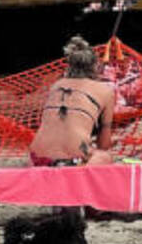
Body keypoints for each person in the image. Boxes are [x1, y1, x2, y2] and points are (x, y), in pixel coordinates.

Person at [26, 37, 118, 166]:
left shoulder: (56, 86)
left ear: (69, 65)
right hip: (72, 162)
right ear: (95, 66)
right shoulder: (105, 91)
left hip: (36, 159)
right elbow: (103, 145)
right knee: (105, 157)